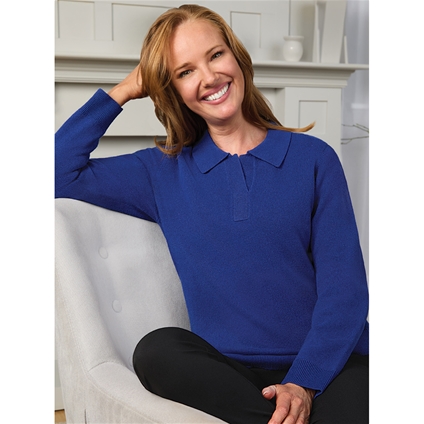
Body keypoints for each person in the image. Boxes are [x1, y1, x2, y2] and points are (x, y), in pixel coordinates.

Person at [55, 4, 369, 424]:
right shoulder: (160, 170)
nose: (209, 77)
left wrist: (303, 383)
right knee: (156, 350)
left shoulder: (314, 159)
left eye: (216, 55)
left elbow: (345, 292)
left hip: (328, 366)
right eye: (185, 71)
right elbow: (54, 171)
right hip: (230, 373)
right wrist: (127, 88)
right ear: (171, 88)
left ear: (236, 57)